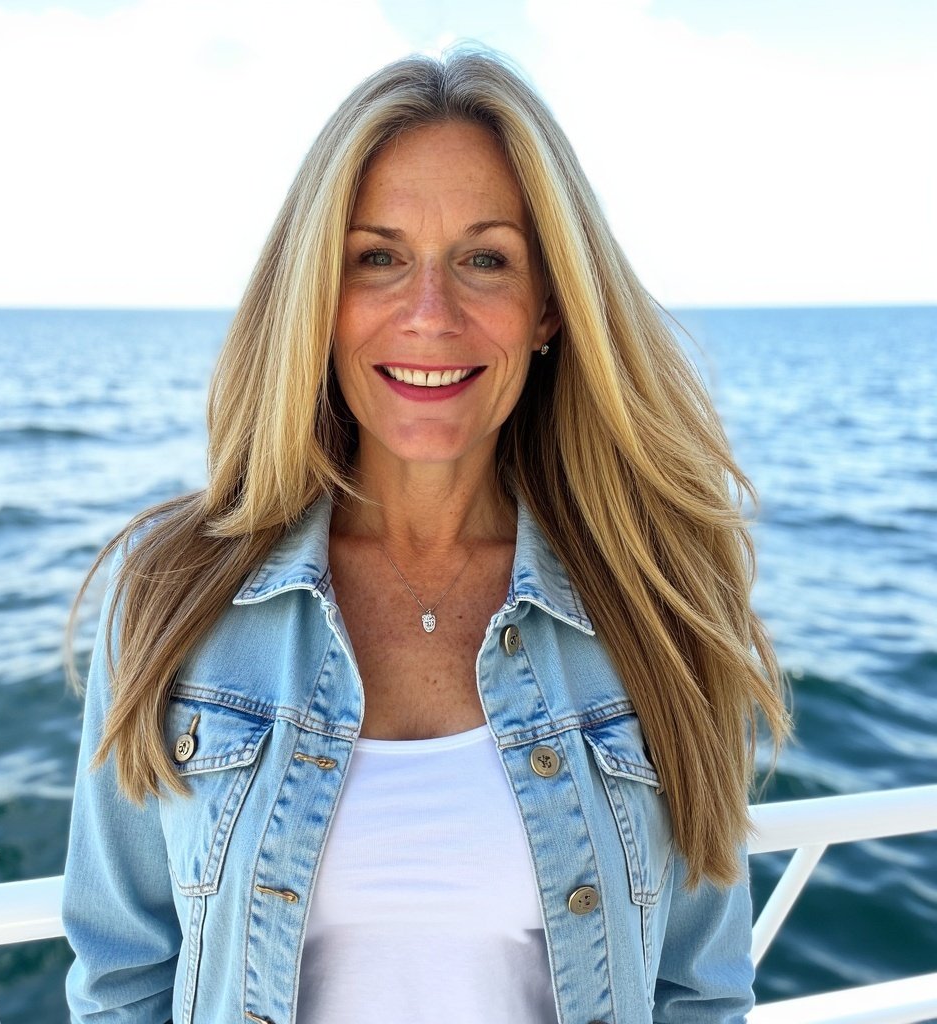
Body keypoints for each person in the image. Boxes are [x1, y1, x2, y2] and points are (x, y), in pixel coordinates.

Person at [63, 49, 788, 1024]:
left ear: (548, 308)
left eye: (485, 259)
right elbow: (123, 976)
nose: (430, 314)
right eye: (378, 257)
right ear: (317, 298)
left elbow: (699, 989)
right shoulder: (171, 595)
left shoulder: (660, 605)